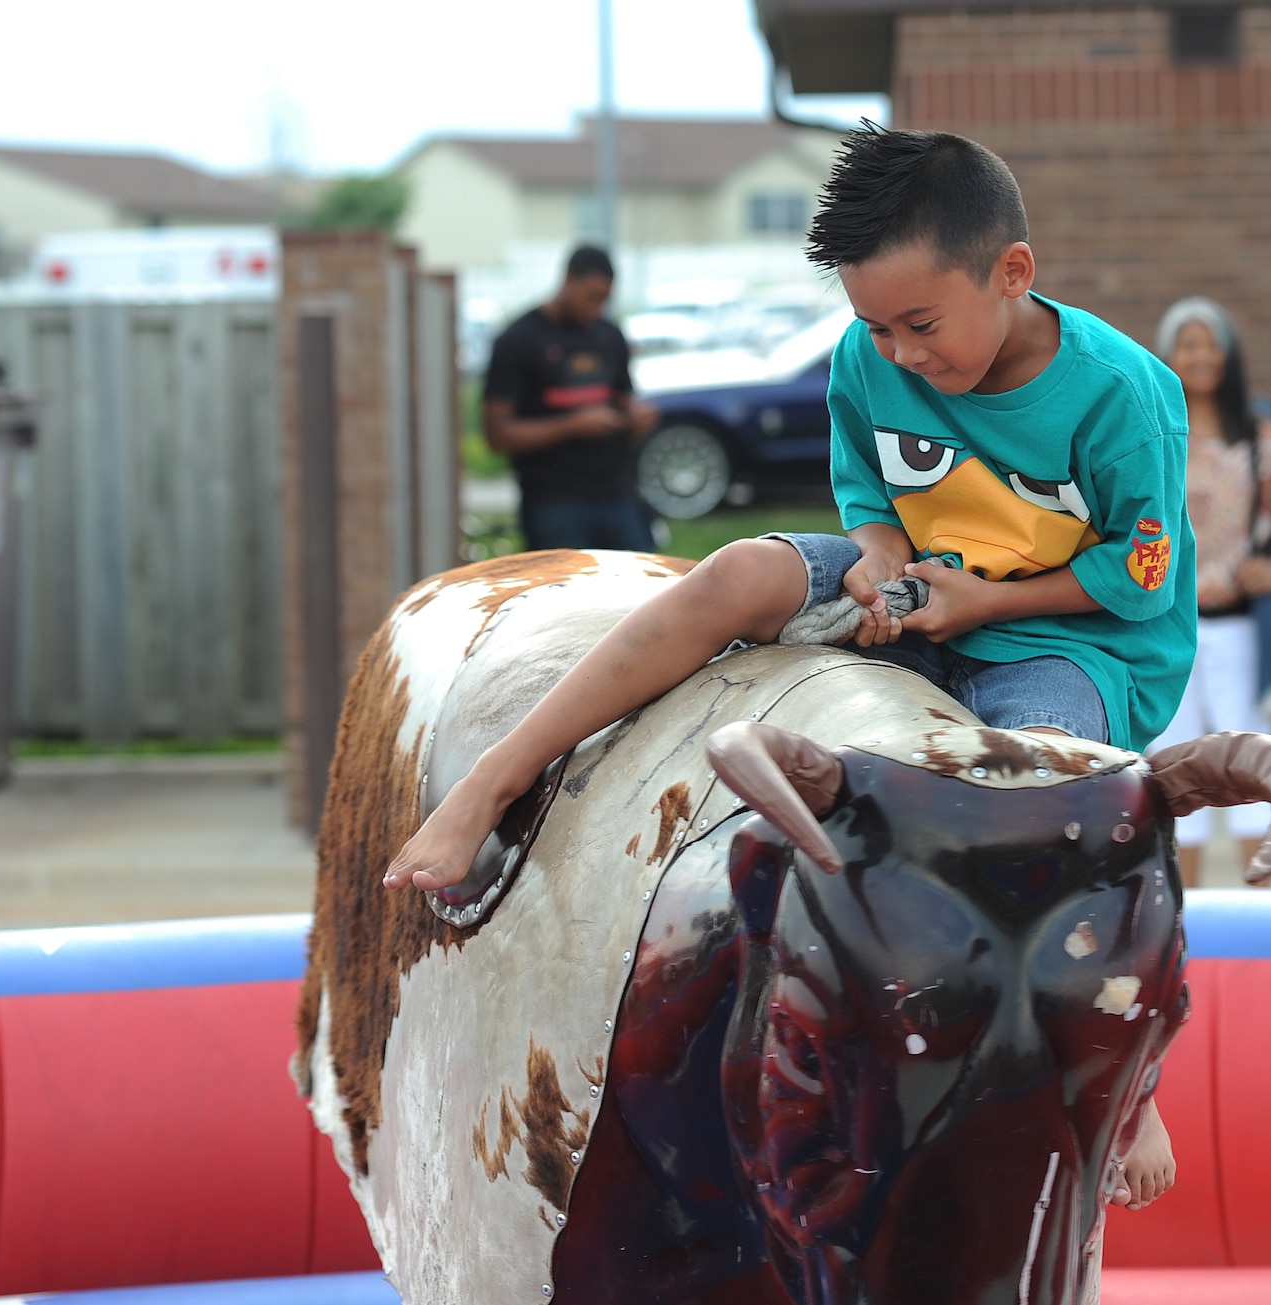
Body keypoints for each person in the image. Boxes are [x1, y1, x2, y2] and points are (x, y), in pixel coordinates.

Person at [387, 125, 1196, 1209]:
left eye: (921, 324)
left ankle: (1123, 1083)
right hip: (920, 597)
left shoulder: (1120, 395)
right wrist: (879, 566)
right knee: (733, 576)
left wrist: (983, 602)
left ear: (1011, 274)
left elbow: (1136, 581)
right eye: (873, 326)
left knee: (1054, 788)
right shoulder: (869, 357)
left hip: (1066, 632)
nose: (900, 353)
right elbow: (869, 502)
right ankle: (498, 778)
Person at [1147, 298, 1271, 885]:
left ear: (1228, 355)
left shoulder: (1262, 441)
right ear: (1167, 354)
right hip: (1166, 629)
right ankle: (1186, 916)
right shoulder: (1153, 432)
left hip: (1238, 627)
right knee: (1174, 768)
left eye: (1211, 343)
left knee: (1252, 761)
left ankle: (1263, 909)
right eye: (1188, 344)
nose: (1200, 356)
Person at [484, 245, 660, 551]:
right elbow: (498, 435)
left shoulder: (608, 335)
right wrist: (572, 426)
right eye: (591, 296)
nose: (596, 307)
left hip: (616, 491)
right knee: (565, 594)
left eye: (604, 299)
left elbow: (622, 400)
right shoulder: (519, 339)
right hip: (553, 500)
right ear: (568, 280)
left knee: (646, 588)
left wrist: (636, 418)